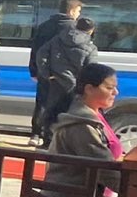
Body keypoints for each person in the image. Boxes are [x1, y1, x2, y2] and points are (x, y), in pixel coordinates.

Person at [42, 62, 125, 197]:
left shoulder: (95, 113)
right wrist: (135, 188)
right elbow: (104, 167)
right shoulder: (81, 124)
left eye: (115, 87)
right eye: (109, 88)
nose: (116, 92)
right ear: (89, 89)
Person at [34, 9, 100, 141]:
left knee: (52, 111)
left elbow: (41, 55)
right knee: (71, 114)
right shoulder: (90, 47)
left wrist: (47, 74)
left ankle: (48, 140)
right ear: (91, 30)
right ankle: (63, 141)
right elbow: (91, 69)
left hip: (56, 81)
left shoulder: (58, 39)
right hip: (75, 85)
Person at [28, 0, 83, 142]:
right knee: (59, 105)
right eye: (78, 11)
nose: (78, 15)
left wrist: (34, 70)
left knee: (41, 103)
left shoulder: (44, 26)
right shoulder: (74, 29)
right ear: (71, 11)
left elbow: (35, 50)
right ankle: (52, 136)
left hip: (44, 71)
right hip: (64, 74)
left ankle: (35, 134)